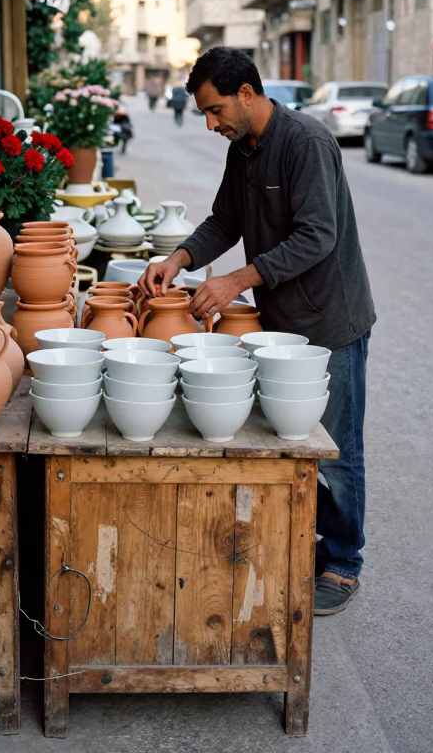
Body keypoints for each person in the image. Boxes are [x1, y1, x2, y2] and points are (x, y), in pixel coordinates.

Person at [139, 46, 375, 615]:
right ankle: (307, 545)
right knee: (291, 443)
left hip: (330, 319)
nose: (210, 123)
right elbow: (226, 219)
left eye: (215, 109)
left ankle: (342, 563)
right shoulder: (243, 149)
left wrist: (235, 282)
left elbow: (318, 235)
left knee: (337, 450)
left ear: (247, 93)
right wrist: (180, 259)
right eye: (204, 113)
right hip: (280, 322)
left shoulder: (307, 142)